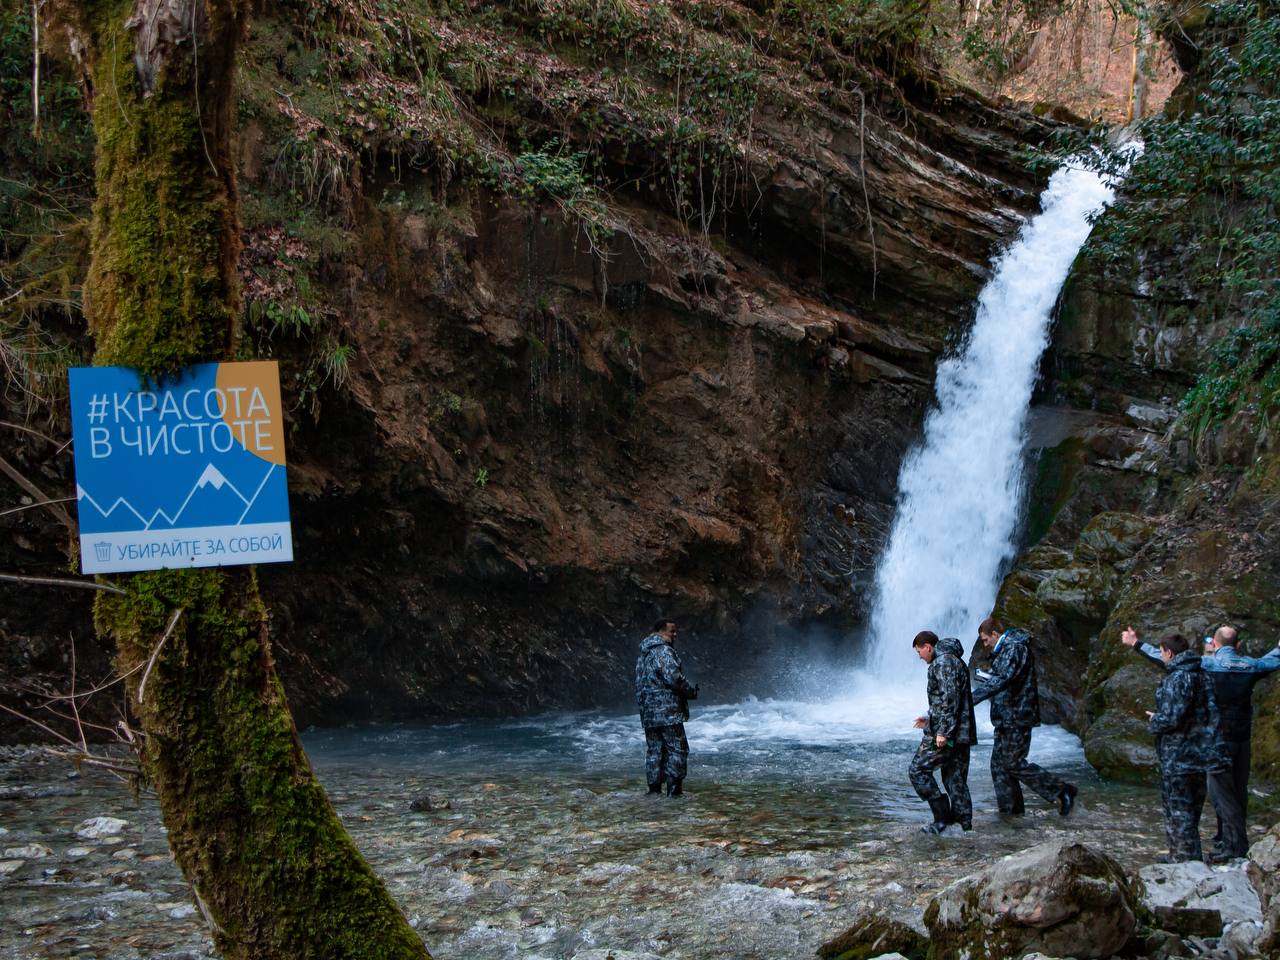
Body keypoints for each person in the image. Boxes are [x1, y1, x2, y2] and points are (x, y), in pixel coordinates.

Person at [1123, 624, 1280, 859]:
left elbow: (1167, 660)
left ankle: (1233, 848)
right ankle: (1228, 842)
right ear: (1238, 646)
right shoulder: (1251, 666)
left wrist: (1136, 643)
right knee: (1238, 792)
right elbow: (1272, 660)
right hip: (1242, 738)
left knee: (1220, 796)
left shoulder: (1206, 665)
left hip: (1214, 740)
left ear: (1214, 645)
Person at [1126, 631, 1225, 862]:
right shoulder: (1203, 674)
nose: (1161, 656)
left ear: (1169, 653)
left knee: (1178, 811)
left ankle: (1183, 860)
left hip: (1178, 755)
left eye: (1161, 652)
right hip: (1201, 754)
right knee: (1193, 811)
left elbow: (1171, 718)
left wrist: (1154, 719)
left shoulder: (1177, 678)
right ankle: (1187, 857)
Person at [971, 617, 1078, 817]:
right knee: (999, 767)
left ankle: (1061, 790)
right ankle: (1011, 812)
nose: (984, 645)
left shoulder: (1014, 648)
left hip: (1017, 716)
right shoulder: (1004, 651)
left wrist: (970, 699)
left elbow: (1003, 680)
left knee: (1013, 762)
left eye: (985, 640)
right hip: (1005, 717)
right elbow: (1003, 680)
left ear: (995, 634)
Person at [910, 631, 977, 834]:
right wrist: (929, 719)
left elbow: (950, 698)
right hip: (962, 733)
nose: (919, 656)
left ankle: (942, 819)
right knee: (954, 779)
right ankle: (964, 826)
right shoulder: (952, 660)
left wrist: (943, 732)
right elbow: (949, 699)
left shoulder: (943, 662)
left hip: (949, 734)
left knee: (918, 770)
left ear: (928, 647)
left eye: (919, 651)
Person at [635, 619, 699, 797]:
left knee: (655, 750)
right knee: (677, 749)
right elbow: (673, 677)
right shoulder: (663, 650)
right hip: (667, 711)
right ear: (660, 632)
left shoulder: (643, 655)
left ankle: (654, 791)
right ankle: (674, 792)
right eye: (672, 631)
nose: (675, 634)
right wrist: (690, 692)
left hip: (648, 713)